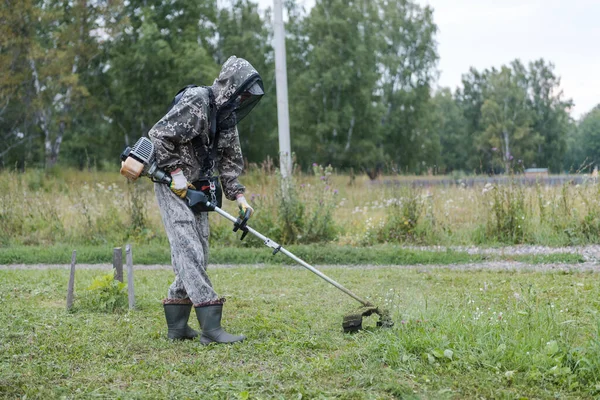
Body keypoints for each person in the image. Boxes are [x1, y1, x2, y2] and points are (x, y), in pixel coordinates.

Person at [147, 56, 264, 345]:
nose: (245, 98)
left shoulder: (227, 116)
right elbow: (159, 135)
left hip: (197, 187)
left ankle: (177, 325)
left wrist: (239, 197)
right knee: (188, 249)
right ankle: (211, 327)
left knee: (200, 250)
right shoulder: (196, 102)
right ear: (231, 86)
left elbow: (229, 160)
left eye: (249, 95)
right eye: (244, 92)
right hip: (171, 182)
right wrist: (175, 172)